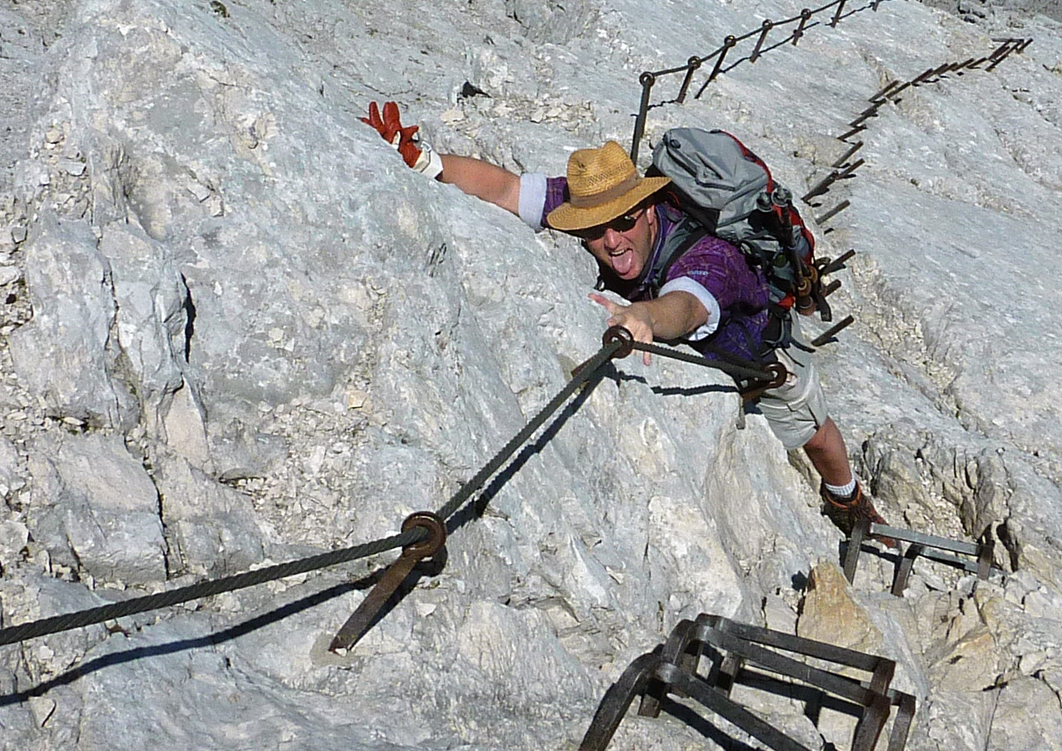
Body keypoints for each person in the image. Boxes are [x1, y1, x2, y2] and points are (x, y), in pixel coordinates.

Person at [361, 101, 892, 540]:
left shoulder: (711, 257)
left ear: (650, 208)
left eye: (625, 223)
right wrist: (424, 161)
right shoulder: (597, 212)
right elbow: (503, 188)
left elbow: (686, 306)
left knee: (815, 434)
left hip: (759, 352)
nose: (612, 242)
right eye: (596, 231)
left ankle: (847, 499)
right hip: (703, 353)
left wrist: (643, 315)